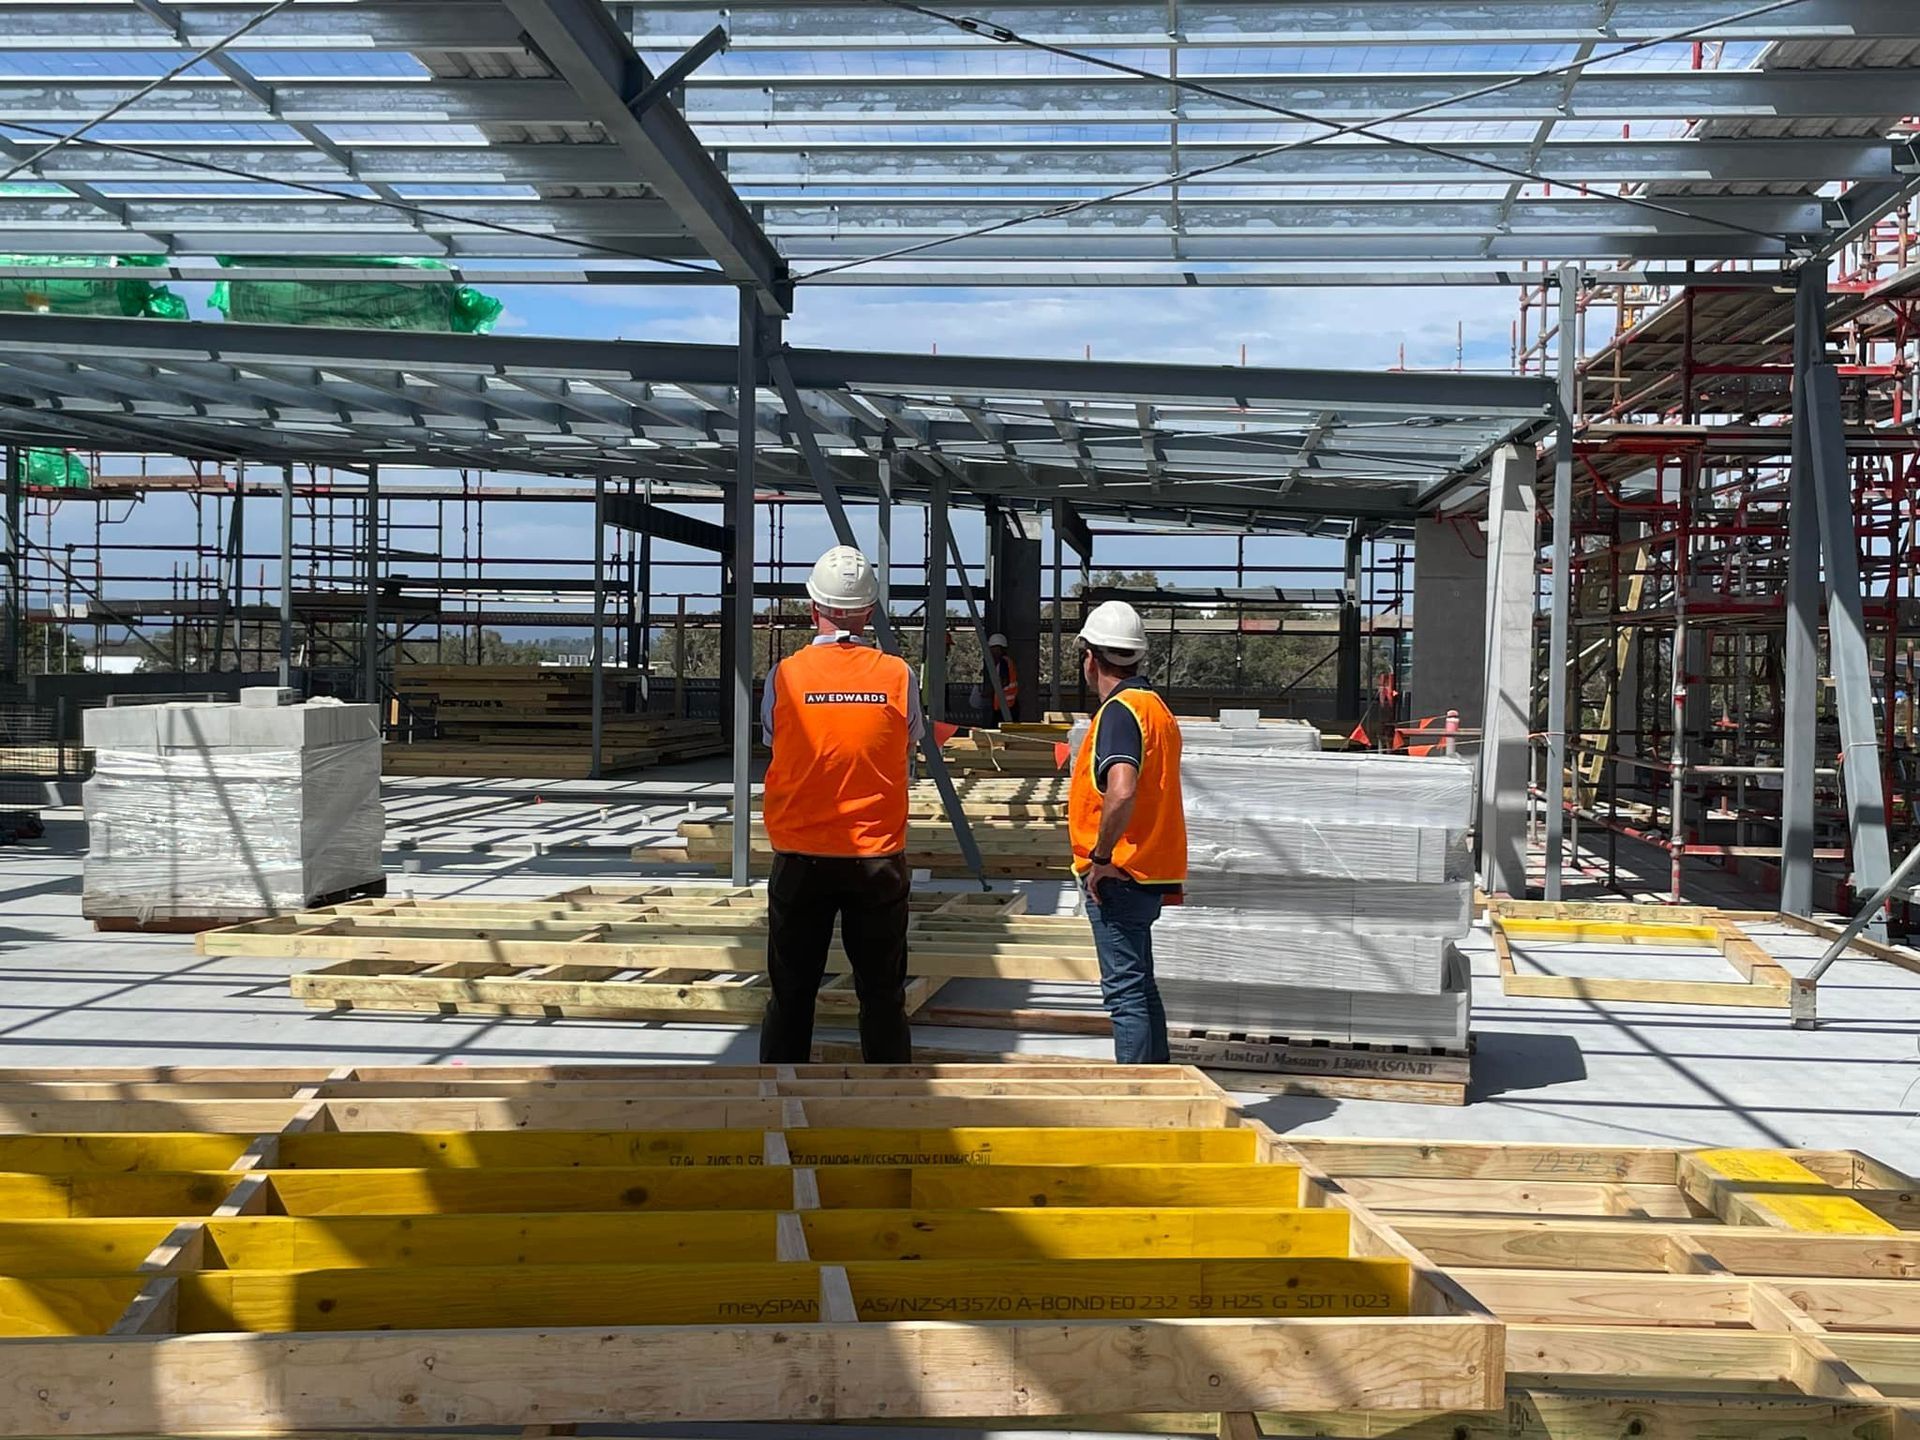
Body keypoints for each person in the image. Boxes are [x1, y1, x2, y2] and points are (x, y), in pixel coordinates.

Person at [757, 545, 920, 1064]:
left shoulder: (783, 676)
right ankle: (890, 1110)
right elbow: (909, 738)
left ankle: (778, 1111)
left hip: (801, 857)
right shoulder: (898, 676)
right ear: (869, 613)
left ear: (813, 608)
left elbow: (774, 739)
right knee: (882, 997)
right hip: (876, 861)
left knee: (791, 996)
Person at [1068, 600, 1186, 1064]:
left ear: (1092, 658)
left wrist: (1100, 858)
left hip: (1118, 874)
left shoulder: (1120, 712)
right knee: (1140, 985)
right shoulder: (1156, 708)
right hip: (1149, 870)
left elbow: (1120, 790)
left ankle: (1137, 1094)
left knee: (1124, 995)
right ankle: (1158, 1085)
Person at [970, 631, 1020, 723]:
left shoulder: (1004, 662)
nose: (991, 652)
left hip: (1006, 707)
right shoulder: (1003, 662)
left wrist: (988, 692)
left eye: (992, 649)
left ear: (998, 648)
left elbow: (1003, 681)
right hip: (1005, 705)